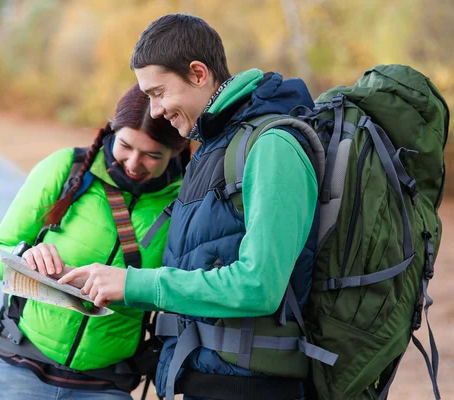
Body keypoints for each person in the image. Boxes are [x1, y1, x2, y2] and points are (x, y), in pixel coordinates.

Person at [60, 14, 323, 400]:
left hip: (254, 388)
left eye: (158, 93)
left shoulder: (272, 146)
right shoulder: (214, 148)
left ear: (199, 74)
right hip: (208, 379)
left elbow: (259, 285)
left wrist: (133, 284)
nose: (153, 111)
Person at [0, 83, 189, 400]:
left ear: (176, 151)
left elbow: (183, 290)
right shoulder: (65, 169)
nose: (133, 163)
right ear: (111, 130)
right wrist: (24, 256)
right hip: (19, 366)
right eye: (126, 146)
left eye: (151, 155)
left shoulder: (186, 203)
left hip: (106, 384)